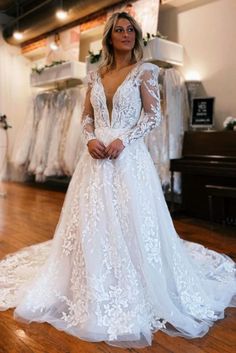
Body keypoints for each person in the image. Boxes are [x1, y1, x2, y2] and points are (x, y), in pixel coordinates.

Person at [0, 12, 235, 349]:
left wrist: (123, 139)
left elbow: (152, 116)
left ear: (136, 37)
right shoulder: (95, 76)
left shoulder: (145, 71)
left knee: (132, 219)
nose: (125, 34)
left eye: (130, 30)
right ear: (109, 37)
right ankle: (90, 278)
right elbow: (86, 117)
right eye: (119, 30)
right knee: (93, 221)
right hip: (95, 159)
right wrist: (89, 139)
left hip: (128, 157)